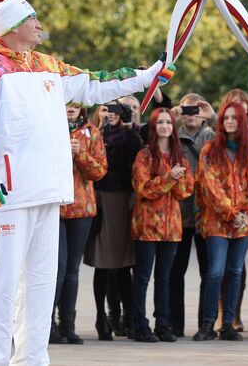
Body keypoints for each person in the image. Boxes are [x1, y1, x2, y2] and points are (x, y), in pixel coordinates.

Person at [0, 0, 168, 365]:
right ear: (13, 27)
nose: (39, 24)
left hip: (47, 191)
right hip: (5, 194)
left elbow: (94, 83)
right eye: (32, 18)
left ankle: (33, 360)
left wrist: (146, 76)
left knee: (40, 286)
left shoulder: (45, 65)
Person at [192, 102, 248, 342]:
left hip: (243, 224)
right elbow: (209, 187)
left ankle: (228, 326)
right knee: (215, 272)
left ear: (242, 121)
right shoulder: (210, 150)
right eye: (226, 118)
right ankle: (207, 325)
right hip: (217, 222)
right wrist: (232, 213)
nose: (230, 121)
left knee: (234, 272)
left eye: (234, 118)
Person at [130, 108, 194, 342]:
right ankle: (139, 325)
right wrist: (170, 178)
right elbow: (143, 189)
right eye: (161, 122)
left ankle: (163, 324)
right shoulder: (144, 156)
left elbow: (186, 191)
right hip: (146, 226)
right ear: (154, 126)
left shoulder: (180, 158)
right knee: (143, 276)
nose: (165, 126)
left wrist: (174, 179)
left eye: (169, 122)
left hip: (172, 228)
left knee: (164, 278)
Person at [84, 101, 143, 340]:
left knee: (124, 264)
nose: (111, 115)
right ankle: (102, 318)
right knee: (103, 262)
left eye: (115, 111)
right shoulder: (93, 134)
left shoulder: (131, 137)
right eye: (106, 110)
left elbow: (137, 164)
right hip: (101, 198)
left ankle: (128, 318)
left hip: (125, 198)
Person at [51, 105, 107, 345]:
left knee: (72, 269)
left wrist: (80, 154)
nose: (71, 107)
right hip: (53, 206)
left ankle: (68, 325)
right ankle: (46, 324)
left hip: (81, 208)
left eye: (75, 103)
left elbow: (100, 171)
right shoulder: (49, 128)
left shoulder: (92, 132)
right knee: (57, 268)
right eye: (66, 102)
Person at [168, 93, 214, 337]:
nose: (191, 116)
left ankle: (205, 325)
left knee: (208, 272)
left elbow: (240, 138)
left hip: (206, 212)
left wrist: (212, 117)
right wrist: (173, 118)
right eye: (186, 111)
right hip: (180, 213)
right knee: (176, 272)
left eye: (196, 110)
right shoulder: (173, 135)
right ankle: (175, 324)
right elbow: (149, 133)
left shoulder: (211, 136)